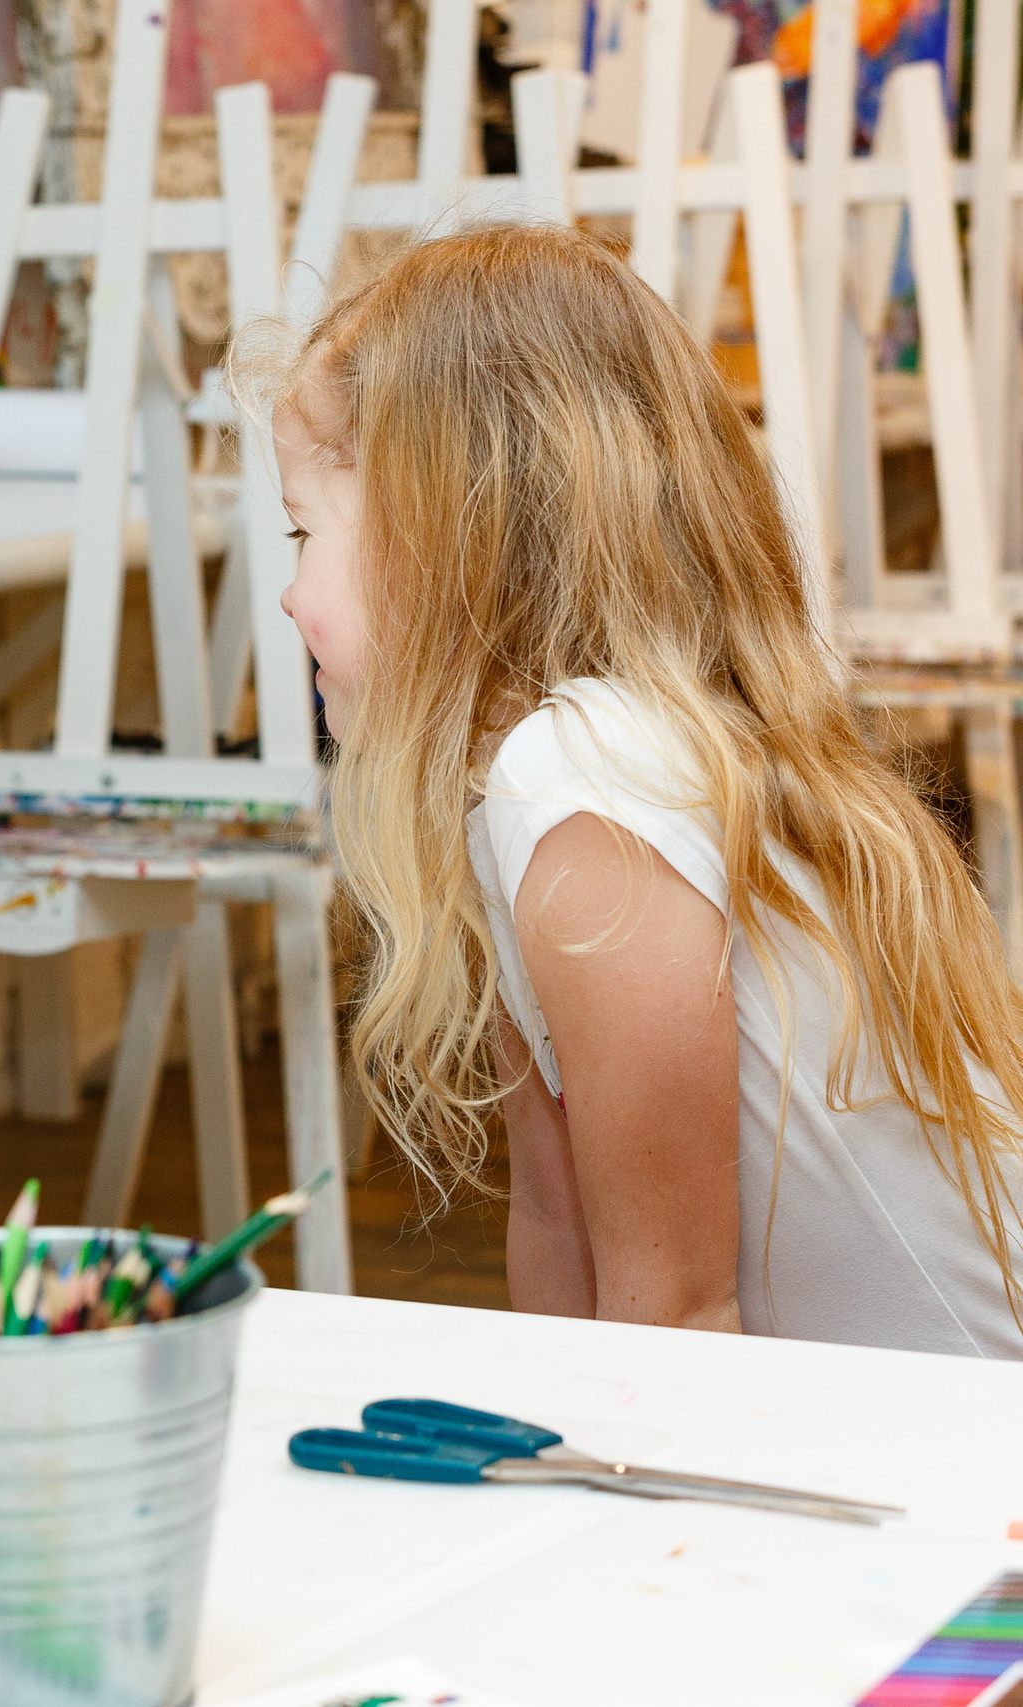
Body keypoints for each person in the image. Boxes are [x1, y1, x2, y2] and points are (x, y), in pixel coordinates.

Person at [258, 223, 1023, 1355]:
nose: (288, 597)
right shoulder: (525, 792)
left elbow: (675, 1313)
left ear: (445, 536)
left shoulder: (581, 782)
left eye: (302, 533)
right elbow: (556, 1213)